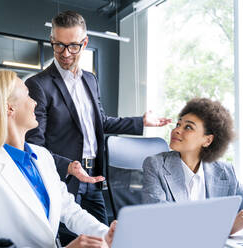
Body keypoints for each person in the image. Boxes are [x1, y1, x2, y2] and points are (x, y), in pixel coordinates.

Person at [25, 10, 171, 244]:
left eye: (73, 46)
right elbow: (34, 145)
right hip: (63, 180)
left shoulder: (90, 80)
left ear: (84, 43)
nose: (65, 53)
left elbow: (100, 123)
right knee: (71, 242)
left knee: (106, 240)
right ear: (52, 40)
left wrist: (140, 122)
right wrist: (68, 166)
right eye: (58, 45)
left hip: (93, 177)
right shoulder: (38, 85)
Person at [0, 70, 116, 248]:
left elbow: (70, 211)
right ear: (10, 108)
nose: (35, 102)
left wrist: (106, 234)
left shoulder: (43, 157)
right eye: (28, 95)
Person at [142, 98, 243, 234]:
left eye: (188, 127)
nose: (177, 130)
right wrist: (227, 228)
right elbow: (160, 219)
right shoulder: (155, 165)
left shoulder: (224, 171)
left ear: (207, 140)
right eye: (178, 124)